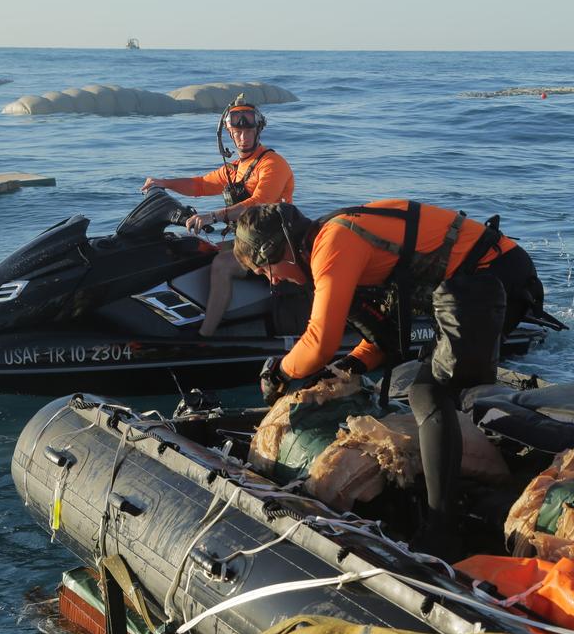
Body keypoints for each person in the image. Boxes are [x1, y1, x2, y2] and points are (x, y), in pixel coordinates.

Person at [235, 200, 547, 558]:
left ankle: (441, 530)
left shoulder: (333, 242)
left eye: (266, 271)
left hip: (490, 274)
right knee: (432, 386)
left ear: (279, 249)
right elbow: (386, 337)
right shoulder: (328, 244)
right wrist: (350, 367)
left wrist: (279, 372)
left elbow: (320, 342)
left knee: (429, 393)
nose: (274, 281)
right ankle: (446, 493)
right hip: (468, 281)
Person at [141, 98, 295, 337]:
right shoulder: (234, 169)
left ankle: (205, 336)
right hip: (250, 241)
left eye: (248, 131)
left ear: (258, 131)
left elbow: (258, 203)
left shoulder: (272, 164)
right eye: (237, 132)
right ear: (229, 135)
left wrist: (214, 216)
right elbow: (200, 185)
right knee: (192, 249)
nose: (243, 137)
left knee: (222, 265)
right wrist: (164, 183)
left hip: (276, 246)